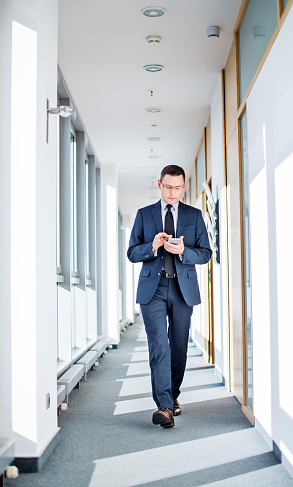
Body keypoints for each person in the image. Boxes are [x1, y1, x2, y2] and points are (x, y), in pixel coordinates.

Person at [127, 165, 212, 427]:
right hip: (153, 289)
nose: (173, 192)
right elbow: (132, 252)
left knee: (178, 347)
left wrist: (185, 250)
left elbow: (206, 253)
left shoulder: (194, 216)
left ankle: (173, 395)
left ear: (184, 187)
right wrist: (152, 246)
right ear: (160, 184)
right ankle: (163, 405)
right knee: (159, 346)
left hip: (182, 289)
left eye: (178, 187)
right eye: (168, 186)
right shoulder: (144, 215)